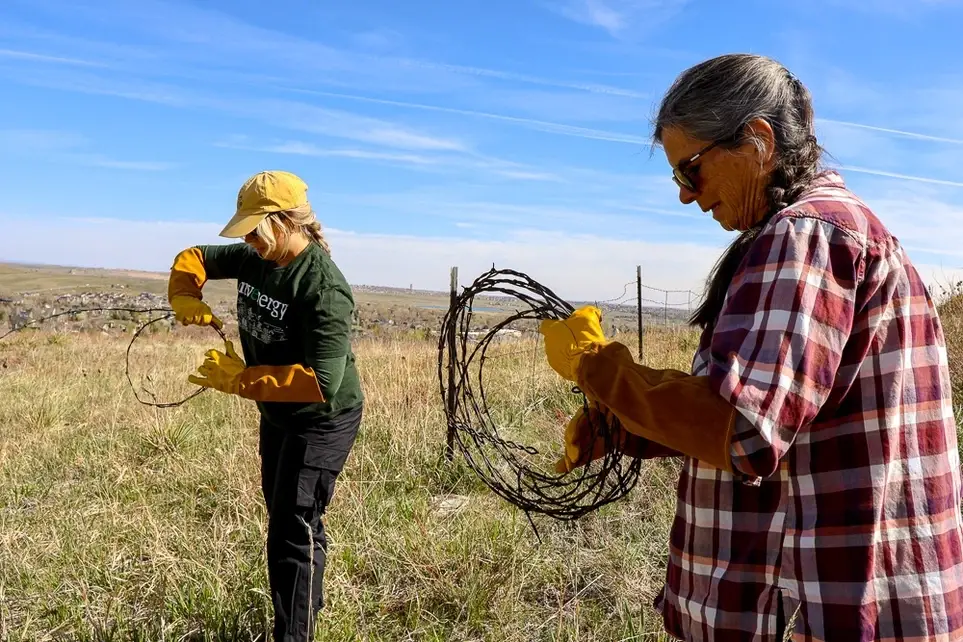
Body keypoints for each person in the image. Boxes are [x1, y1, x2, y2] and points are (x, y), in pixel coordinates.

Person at [540, 53, 963, 641]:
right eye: (677, 178)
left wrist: (599, 369)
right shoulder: (836, 230)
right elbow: (789, 418)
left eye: (692, 170)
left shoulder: (805, 235)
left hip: (812, 605)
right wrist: (629, 425)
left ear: (758, 140)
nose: (687, 196)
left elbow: (743, 431)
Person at [166, 170, 364, 642]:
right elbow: (195, 257)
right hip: (276, 413)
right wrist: (183, 292)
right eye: (245, 230)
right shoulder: (257, 255)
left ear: (285, 222)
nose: (248, 239)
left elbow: (321, 382)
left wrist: (242, 380)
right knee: (292, 518)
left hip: (320, 421)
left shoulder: (323, 288)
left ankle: (292, 635)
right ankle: (305, 609)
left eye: (256, 229)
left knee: (289, 532)